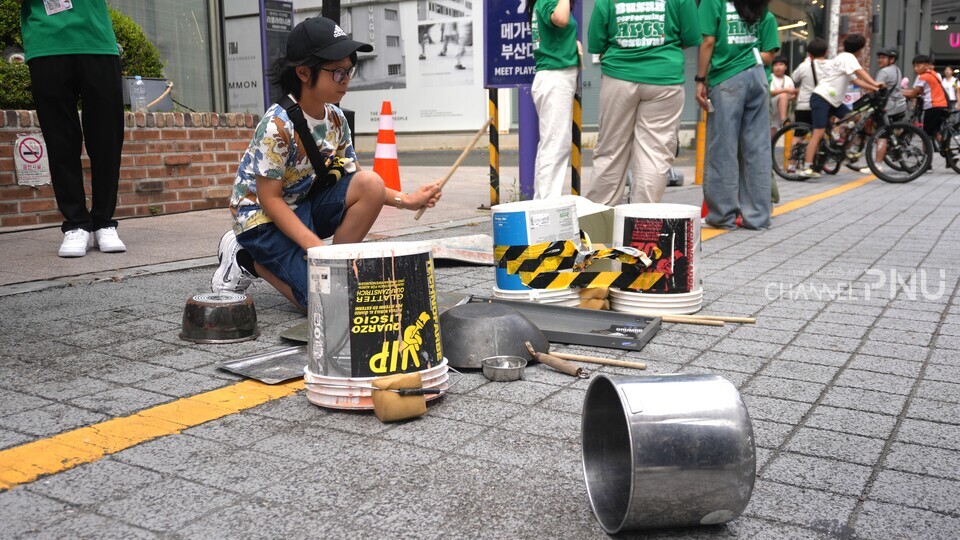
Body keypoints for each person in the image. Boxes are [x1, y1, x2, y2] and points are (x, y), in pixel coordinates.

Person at [212, 17, 442, 309]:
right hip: (261, 221)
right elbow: (269, 200)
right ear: (304, 73)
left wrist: (408, 200)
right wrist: (316, 247)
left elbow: (355, 180)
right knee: (320, 302)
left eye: (349, 70)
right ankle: (243, 256)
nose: (346, 79)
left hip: (303, 206)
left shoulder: (336, 118)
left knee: (370, 183)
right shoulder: (277, 126)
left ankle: (337, 270)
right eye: (337, 72)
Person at [19, 0, 126, 257]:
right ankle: (76, 224)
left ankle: (103, 221)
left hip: (97, 40)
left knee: (106, 137)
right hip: (47, 42)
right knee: (60, 140)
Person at [584, 0, 702, 205]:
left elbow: (596, 42)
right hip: (664, 77)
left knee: (610, 151)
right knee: (654, 155)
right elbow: (690, 36)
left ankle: (598, 224)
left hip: (618, 77)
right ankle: (641, 226)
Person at [695, 0, 780, 230]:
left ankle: (722, 216)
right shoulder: (758, 4)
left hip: (727, 77)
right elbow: (768, 49)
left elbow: (708, 40)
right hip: (758, 76)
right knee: (758, 148)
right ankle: (758, 217)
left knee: (722, 148)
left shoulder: (714, 2)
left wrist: (700, 79)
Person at [798, 34, 883, 179]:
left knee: (852, 117)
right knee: (819, 132)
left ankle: (841, 149)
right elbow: (860, 72)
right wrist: (875, 83)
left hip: (832, 101)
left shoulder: (842, 58)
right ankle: (806, 167)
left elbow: (857, 81)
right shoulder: (848, 58)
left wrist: (874, 88)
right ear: (859, 49)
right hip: (821, 98)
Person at [527, 0, 579, 199]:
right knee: (556, 144)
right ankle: (546, 206)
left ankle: (542, 202)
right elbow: (561, 19)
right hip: (555, 78)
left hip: (552, 77)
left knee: (552, 143)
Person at [903, 55, 948, 146]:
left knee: (925, 134)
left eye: (918, 66)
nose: (915, 69)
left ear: (927, 65)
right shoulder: (933, 74)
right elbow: (918, 91)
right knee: (934, 131)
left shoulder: (924, 77)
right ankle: (946, 149)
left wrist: (898, 93)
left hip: (933, 106)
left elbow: (913, 94)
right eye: (914, 66)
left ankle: (926, 156)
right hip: (942, 105)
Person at [790, 38, 828, 127]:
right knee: (820, 134)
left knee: (799, 135)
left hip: (804, 105)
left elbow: (794, 78)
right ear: (826, 52)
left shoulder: (804, 66)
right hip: (822, 106)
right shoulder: (831, 65)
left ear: (809, 54)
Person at [769, 56, 797, 129]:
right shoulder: (770, 77)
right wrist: (785, 90)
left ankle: (783, 123)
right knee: (783, 95)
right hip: (771, 107)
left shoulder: (788, 79)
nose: (778, 67)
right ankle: (784, 122)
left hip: (784, 107)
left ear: (786, 67)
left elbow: (792, 97)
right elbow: (770, 92)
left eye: (781, 64)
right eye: (775, 65)